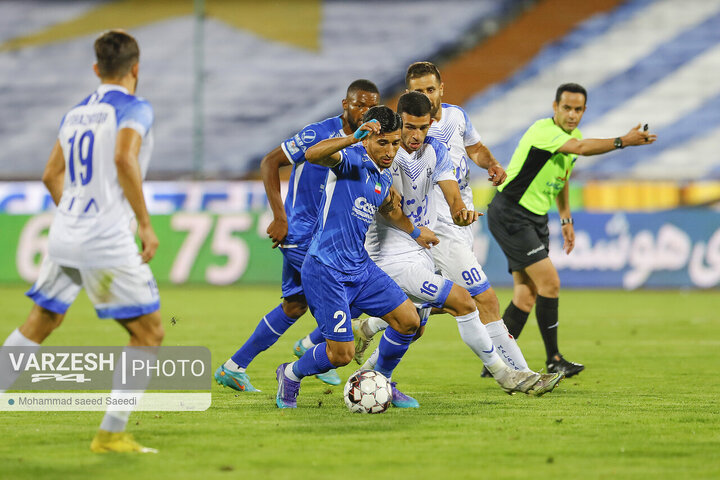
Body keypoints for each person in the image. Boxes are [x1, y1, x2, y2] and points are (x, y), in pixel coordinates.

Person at [0, 30, 163, 453]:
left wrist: (74, 212)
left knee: (42, 321)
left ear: (96, 69)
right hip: (105, 238)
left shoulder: (74, 114)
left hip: (64, 233)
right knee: (149, 334)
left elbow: (50, 175)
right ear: (136, 69)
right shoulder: (135, 108)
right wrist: (144, 224)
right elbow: (124, 157)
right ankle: (111, 433)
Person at [359, 92, 562, 405]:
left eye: (423, 128)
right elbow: (390, 208)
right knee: (465, 301)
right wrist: (415, 230)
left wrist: (460, 212)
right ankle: (507, 374)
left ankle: (370, 375)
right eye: (410, 127)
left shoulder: (436, 149)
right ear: (399, 122)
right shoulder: (384, 154)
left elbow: (452, 195)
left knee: (413, 325)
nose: (416, 135)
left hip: (422, 250)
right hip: (390, 255)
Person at [213, 80, 380, 391]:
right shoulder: (318, 134)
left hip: (323, 236)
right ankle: (309, 347)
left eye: (371, 107)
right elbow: (269, 162)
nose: (364, 112)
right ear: (345, 105)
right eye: (359, 104)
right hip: (301, 233)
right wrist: (279, 216)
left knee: (294, 306)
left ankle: (233, 367)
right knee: (351, 290)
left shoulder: (365, 143)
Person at [486, 82, 657, 376]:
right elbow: (580, 148)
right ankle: (554, 359)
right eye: (567, 108)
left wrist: (566, 219)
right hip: (511, 212)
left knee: (526, 294)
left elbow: (562, 177)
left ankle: (495, 363)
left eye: (578, 110)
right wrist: (623, 141)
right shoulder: (544, 131)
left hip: (535, 217)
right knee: (549, 283)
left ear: (584, 111)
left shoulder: (571, 136)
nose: (572, 115)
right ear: (555, 107)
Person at [275, 106, 431, 409]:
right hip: (326, 269)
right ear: (368, 140)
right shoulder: (350, 159)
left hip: (360, 269)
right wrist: (351, 138)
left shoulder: (383, 177)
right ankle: (291, 374)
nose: (389, 151)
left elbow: (390, 209)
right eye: (382, 143)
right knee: (341, 355)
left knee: (409, 321)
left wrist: (415, 233)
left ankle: (380, 379)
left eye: (394, 143)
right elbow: (312, 154)